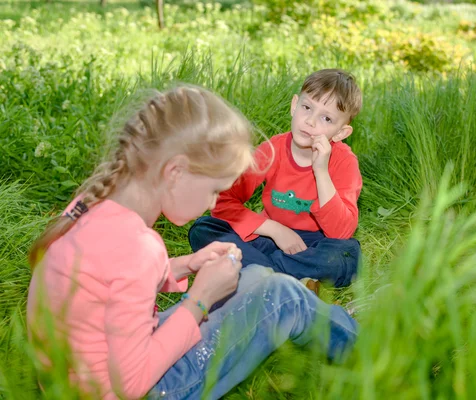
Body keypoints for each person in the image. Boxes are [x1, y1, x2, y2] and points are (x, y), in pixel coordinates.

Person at [26, 86, 357, 400]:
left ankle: (334, 320)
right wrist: (199, 300)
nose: (213, 203)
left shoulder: (91, 205)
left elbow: (110, 282)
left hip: (79, 383)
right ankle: (370, 350)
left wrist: (185, 265)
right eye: (213, 190)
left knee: (254, 277)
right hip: (147, 390)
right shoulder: (140, 248)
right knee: (282, 296)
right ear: (176, 173)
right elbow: (131, 384)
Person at [188, 69, 363, 293]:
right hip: (269, 237)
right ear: (294, 106)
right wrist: (275, 230)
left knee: (347, 255)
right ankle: (288, 281)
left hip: (313, 244)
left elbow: (341, 232)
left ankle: (258, 274)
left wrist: (321, 172)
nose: (310, 121)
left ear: (340, 133)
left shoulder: (344, 162)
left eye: (326, 118)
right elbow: (223, 201)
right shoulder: (273, 150)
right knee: (204, 229)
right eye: (307, 108)